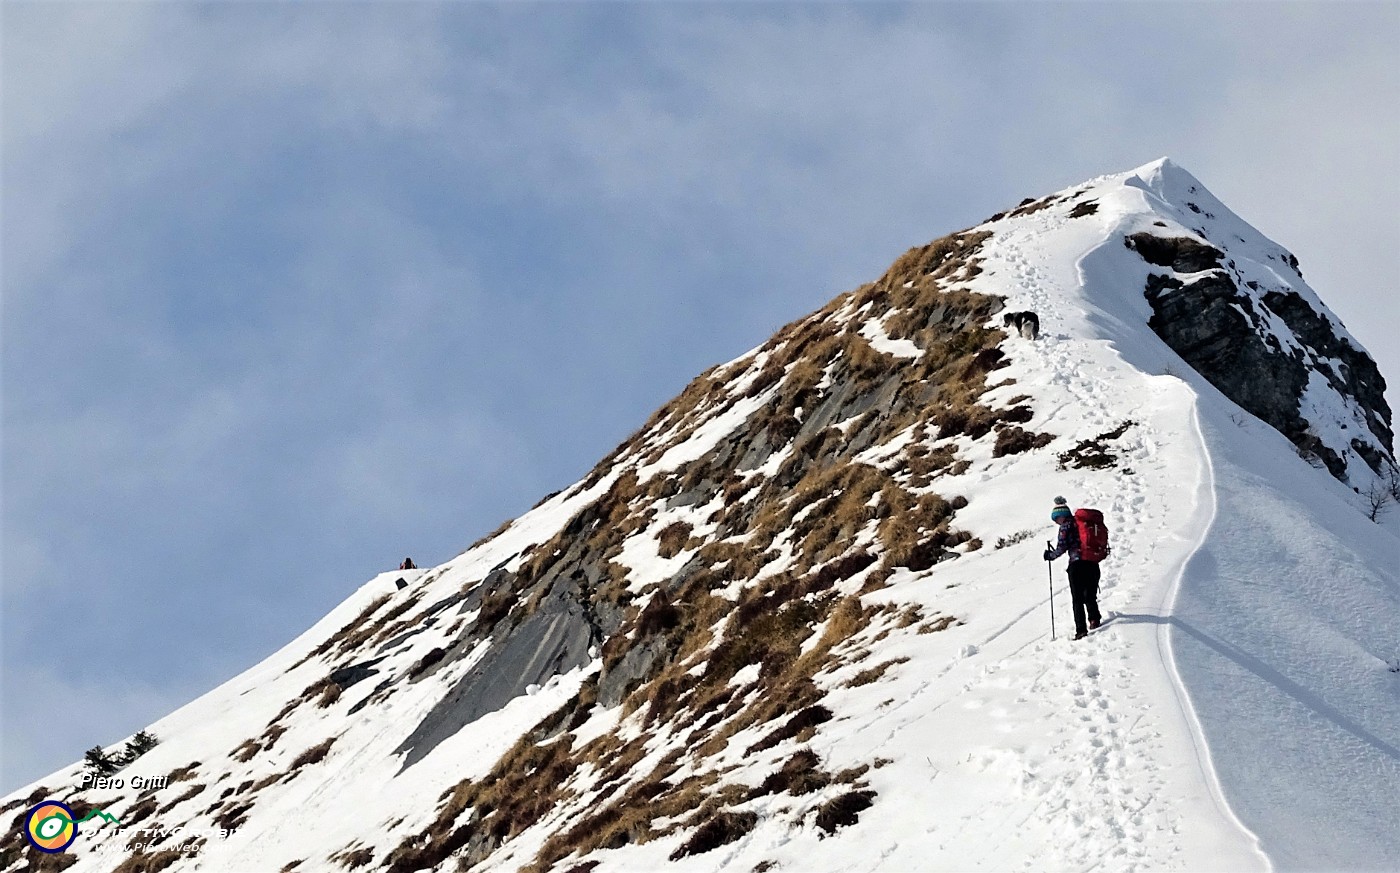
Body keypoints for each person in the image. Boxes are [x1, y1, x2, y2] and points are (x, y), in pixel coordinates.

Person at [1043, 497, 1101, 640]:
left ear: (1061, 516)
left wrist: (1050, 555)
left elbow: (1062, 547)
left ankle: (1081, 630)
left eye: (1056, 519)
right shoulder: (1083, 524)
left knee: (1077, 599)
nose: (1056, 522)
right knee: (1090, 594)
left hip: (1077, 564)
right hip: (1092, 563)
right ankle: (1094, 619)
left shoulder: (1066, 526)